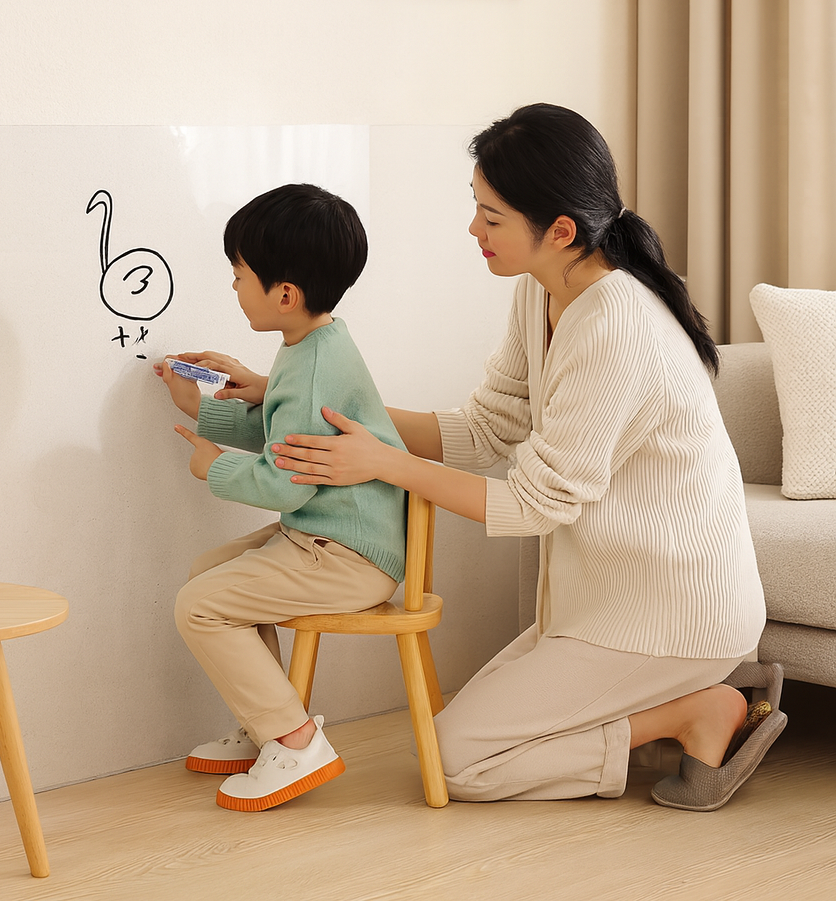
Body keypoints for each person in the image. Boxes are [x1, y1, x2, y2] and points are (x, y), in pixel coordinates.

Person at [260, 103, 786, 811]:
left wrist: (383, 464)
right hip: (602, 607)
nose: (473, 230)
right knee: (454, 742)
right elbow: (485, 429)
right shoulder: (544, 288)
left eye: (491, 217)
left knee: (455, 764)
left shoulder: (616, 324)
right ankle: (686, 708)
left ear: (560, 231)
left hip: (672, 618)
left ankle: (695, 711)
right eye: (476, 208)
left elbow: (537, 504)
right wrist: (289, 392)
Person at [155, 183, 407, 812]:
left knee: (200, 605)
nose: (234, 287)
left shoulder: (311, 362)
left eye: (240, 276)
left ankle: (295, 742)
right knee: (207, 575)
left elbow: (284, 482)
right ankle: (263, 722)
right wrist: (204, 411)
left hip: (346, 553)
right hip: (331, 536)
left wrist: (211, 470)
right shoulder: (313, 344)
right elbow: (289, 438)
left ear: (284, 294)